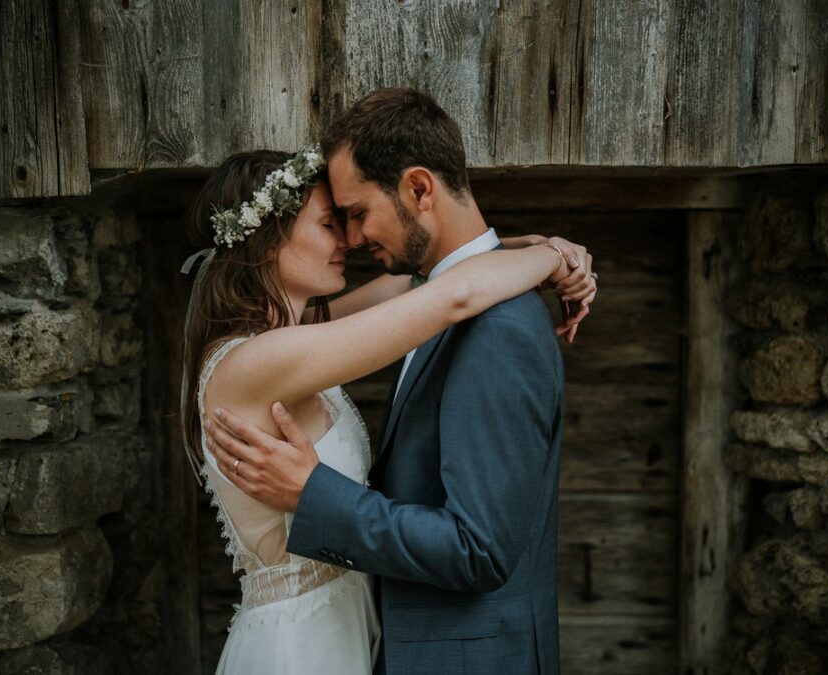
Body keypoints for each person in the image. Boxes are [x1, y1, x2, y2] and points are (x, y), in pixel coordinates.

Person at [203, 88, 593, 674]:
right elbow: (449, 291)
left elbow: (437, 289)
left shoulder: (491, 325)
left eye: (353, 215)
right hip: (305, 647)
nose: (351, 239)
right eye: (332, 223)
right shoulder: (265, 355)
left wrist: (529, 248)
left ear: (417, 189)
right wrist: (551, 256)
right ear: (268, 240)